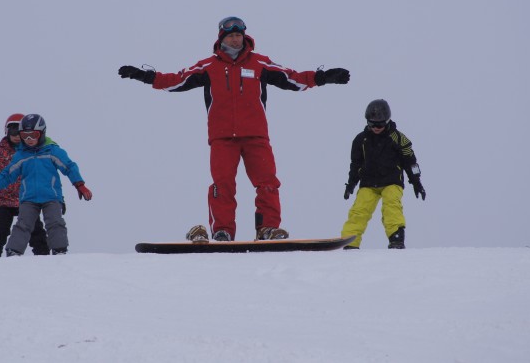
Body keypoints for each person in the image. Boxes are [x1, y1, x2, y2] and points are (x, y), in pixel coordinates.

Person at [119, 16, 350, 241]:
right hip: (222, 139)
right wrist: (144, 76)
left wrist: (323, 77)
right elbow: (175, 80)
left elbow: (292, 78)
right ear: (222, 39)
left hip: (256, 136)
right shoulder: (208, 66)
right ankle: (223, 232)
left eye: (239, 35)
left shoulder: (259, 63)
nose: (236, 40)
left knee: (267, 183)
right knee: (223, 186)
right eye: (231, 36)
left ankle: (267, 229)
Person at [0, 114, 93, 256]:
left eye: (33, 135)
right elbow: (8, 174)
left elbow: (69, 167)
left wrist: (79, 185)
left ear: (42, 133)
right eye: (25, 135)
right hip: (29, 198)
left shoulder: (52, 151)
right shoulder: (21, 155)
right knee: (23, 224)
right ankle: (14, 251)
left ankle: (59, 250)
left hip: (51, 196)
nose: (29, 140)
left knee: (55, 222)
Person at [340, 99, 426, 249]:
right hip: (368, 183)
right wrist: (351, 185)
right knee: (359, 211)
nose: (376, 128)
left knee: (391, 206)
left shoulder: (398, 138)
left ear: (387, 121)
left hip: (391, 181)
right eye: (372, 124)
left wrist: (417, 182)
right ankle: (350, 243)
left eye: (380, 124)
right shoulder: (361, 140)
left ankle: (396, 239)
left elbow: (411, 162)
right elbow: (355, 165)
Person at [0, 114, 49, 257]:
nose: (16, 136)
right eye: (12, 132)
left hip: (26, 200)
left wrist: (56, 198)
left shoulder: (31, 153)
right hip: (3, 201)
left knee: (36, 230)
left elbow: (44, 176)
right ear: (6, 132)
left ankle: (44, 257)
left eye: (19, 132)